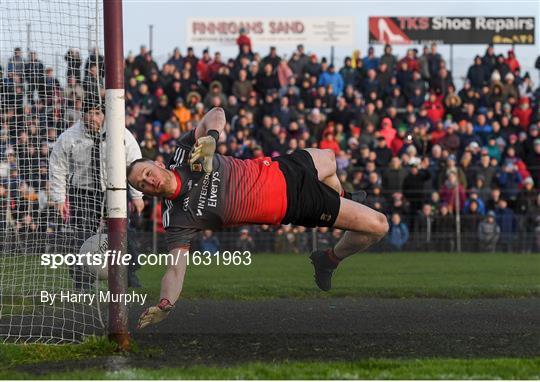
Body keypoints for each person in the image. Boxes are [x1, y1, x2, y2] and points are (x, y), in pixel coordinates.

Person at [128, 108, 387, 329]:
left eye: (148, 172)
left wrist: (211, 138)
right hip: (295, 202)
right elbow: (175, 269)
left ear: (159, 165)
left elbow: (217, 113)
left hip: (280, 167)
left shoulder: (186, 153)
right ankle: (329, 259)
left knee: (329, 158)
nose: (149, 180)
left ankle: (344, 197)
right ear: (146, 193)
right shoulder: (177, 217)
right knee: (378, 226)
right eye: (143, 184)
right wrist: (165, 304)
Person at [49, 100, 145, 289]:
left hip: (115, 189)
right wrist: (59, 198)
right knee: (81, 236)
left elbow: (135, 162)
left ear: (104, 115)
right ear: (81, 114)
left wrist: (137, 195)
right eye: (88, 113)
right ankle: (82, 281)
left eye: (97, 113)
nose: (92, 117)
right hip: (82, 192)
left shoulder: (120, 133)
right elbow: (57, 168)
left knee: (124, 233)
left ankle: (129, 276)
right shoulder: (69, 136)